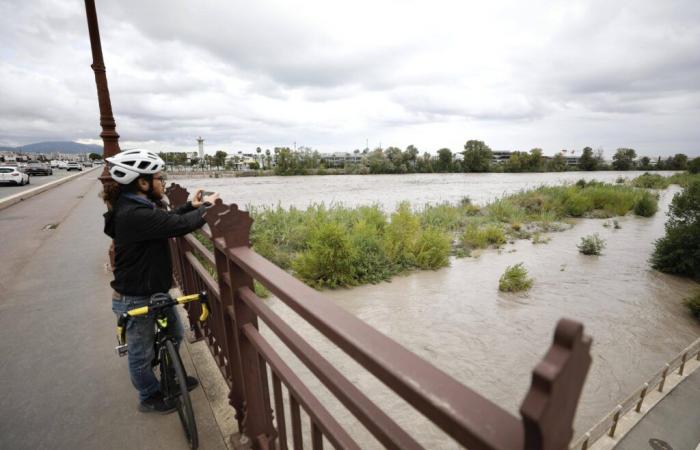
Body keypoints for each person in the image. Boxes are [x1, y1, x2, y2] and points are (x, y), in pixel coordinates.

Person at [103, 149, 219, 413]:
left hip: (153, 290)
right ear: (142, 183)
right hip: (135, 296)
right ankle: (149, 396)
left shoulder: (137, 207)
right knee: (141, 354)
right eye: (159, 177)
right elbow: (176, 226)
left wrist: (191, 206)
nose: (163, 182)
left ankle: (170, 376)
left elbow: (165, 220)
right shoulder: (133, 214)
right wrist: (209, 208)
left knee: (175, 334)